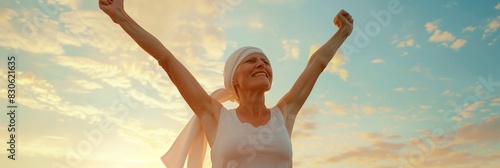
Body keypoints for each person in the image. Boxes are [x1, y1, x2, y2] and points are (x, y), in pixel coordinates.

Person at [99, 0, 353, 167]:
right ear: (234, 79)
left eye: (265, 61)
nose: (261, 64)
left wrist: (343, 31)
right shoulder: (215, 116)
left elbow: (316, 64)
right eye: (251, 61)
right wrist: (121, 17)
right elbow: (166, 58)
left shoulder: (284, 114)